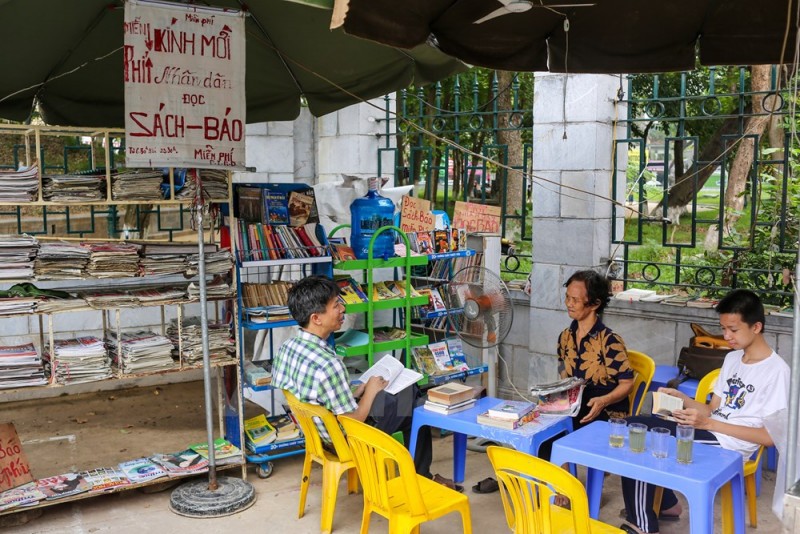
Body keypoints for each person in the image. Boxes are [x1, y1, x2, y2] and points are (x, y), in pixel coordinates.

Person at [619, 289, 790, 534]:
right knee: (640, 423)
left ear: (756, 327)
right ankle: (667, 504)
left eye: (733, 329)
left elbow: (769, 438)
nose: (726, 336)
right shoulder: (732, 359)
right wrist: (684, 399)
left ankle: (643, 524)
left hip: (731, 447)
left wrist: (707, 425)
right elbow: (711, 409)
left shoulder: (777, 372)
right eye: (723, 329)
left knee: (640, 432)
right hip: (711, 431)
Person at [271, 275, 462, 491]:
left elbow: (315, 398)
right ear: (316, 318)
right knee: (413, 404)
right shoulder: (328, 363)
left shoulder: (288, 347)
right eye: (336, 306)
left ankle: (420, 472)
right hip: (346, 440)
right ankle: (421, 477)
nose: (342, 309)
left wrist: (356, 392)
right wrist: (370, 392)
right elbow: (354, 421)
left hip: (319, 437)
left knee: (408, 395)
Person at [558, 270, 634, 428]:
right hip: (577, 409)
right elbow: (563, 367)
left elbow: (627, 384)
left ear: (594, 304)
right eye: (567, 297)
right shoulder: (565, 336)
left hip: (605, 414)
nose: (569, 304)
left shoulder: (610, 341)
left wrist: (603, 401)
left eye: (575, 300)